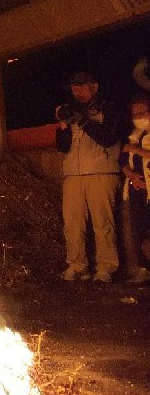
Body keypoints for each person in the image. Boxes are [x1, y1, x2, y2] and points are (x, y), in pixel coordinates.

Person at [55, 71, 123, 282]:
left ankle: (106, 267)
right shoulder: (73, 111)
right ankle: (77, 265)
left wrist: (82, 121)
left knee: (103, 223)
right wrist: (64, 125)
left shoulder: (110, 108)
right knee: (72, 224)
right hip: (73, 175)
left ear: (94, 86)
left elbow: (109, 138)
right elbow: (63, 147)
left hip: (102, 172)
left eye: (81, 87)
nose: (77, 92)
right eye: (74, 88)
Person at [118, 92, 150, 284]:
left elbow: (135, 152)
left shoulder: (137, 142)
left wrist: (136, 150)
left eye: (142, 113)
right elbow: (122, 160)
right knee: (138, 231)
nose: (138, 117)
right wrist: (130, 175)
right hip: (136, 190)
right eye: (134, 114)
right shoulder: (133, 136)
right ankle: (142, 270)